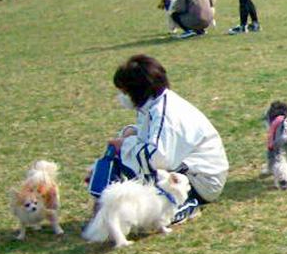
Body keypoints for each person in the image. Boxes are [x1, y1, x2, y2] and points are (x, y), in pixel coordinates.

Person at [89, 54, 229, 225]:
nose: (121, 97)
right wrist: (130, 133)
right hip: (189, 169)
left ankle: (185, 206)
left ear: (137, 90)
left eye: (124, 92)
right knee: (123, 161)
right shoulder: (154, 105)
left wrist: (125, 145)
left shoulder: (165, 111)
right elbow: (151, 135)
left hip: (201, 181)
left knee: (150, 209)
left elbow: (157, 157)